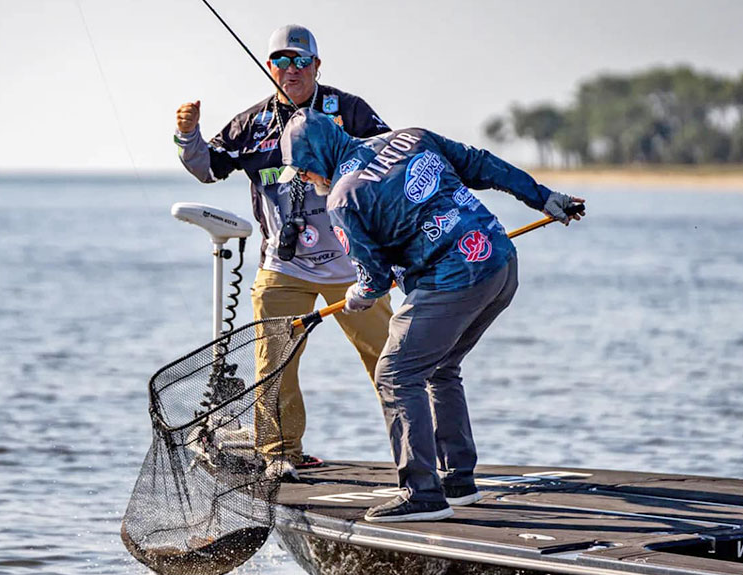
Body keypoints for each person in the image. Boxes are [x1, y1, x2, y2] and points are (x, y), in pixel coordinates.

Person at [278, 108, 586, 521]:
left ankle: (421, 494)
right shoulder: (411, 136)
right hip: (500, 263)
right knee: (441, 366)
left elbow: (374, 279)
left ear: (316, 157)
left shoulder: (344, 198)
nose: (305, 179)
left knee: (395, 374)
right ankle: (457, 481)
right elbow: (482, 164)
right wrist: (543, 198)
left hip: (455, 280)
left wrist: (357, 296)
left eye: (302, 170)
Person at [173, 25, 393, 478]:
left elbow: (389, 158)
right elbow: (210, 168)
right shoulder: (250, 123)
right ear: (270, 67)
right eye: (281, 61)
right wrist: (187, 135)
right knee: (272, 363)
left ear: (316, 65)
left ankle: (425, 452)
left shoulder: (349, 110)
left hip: (354, 264)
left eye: (300, 61)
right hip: (283, 263)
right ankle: (279, 453)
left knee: (392, 358)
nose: (291, 69)